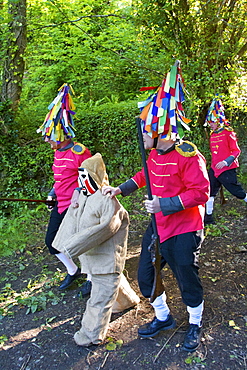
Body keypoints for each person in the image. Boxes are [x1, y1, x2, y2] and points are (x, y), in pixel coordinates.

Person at [102, 62, 210, 352]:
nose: (142, 134)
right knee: (146, 276)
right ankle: (163, 317)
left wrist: (165, 203)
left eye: (145, 129)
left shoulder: (188, 155)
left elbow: (201, 192)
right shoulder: (155, 155)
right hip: (158, 227)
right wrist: (120, 189)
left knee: (186, 276)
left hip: (185, 229)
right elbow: (144, 176)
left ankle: (195, 323)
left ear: (160, 128)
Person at [52, 153, 140, 346]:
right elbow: (73, 220)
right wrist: (63, 241)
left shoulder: (107, 199)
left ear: (96, 177)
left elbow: (106, 227)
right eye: (80, 177)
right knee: (112, 283)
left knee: (99, 299)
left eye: (86, 177)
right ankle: (128, 301)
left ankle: (90, 336)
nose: (82, 181)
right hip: (92, 258)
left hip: (107, 258)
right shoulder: (84, 196)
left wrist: (72, 245)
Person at [37, 84, 92, 290]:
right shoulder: (57, 152)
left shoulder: (80, 151)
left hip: (78, 206)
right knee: (52, 241)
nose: (46, 139)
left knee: (82, 243)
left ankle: (90, 278)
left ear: (61, 134)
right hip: (60, 204)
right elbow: (60, 178)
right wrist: (52, 193)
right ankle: (73, 271)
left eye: (49, 135)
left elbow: (91, 177)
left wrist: (78, 192)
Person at [204, 98, 247, 224]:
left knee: (237, 192)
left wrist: (226, 162)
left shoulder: (228, 133)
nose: (210, 124)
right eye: (209, 122)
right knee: (210, 191)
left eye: (212, 122)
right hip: (214, 169)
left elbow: (236, 151)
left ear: (218, 120)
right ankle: (208, 217)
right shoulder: (212, 135)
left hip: (226, 169)